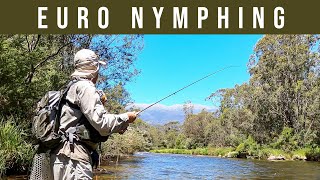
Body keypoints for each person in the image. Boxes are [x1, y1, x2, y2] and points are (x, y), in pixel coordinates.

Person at [50, 49, 137, 180]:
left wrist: (118, 125)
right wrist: (126, 118)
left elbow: (84, 122)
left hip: (61, 156)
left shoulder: (71, 87)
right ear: (94, 67)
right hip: (74, 158)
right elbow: (101, 123)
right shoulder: (86, 87)